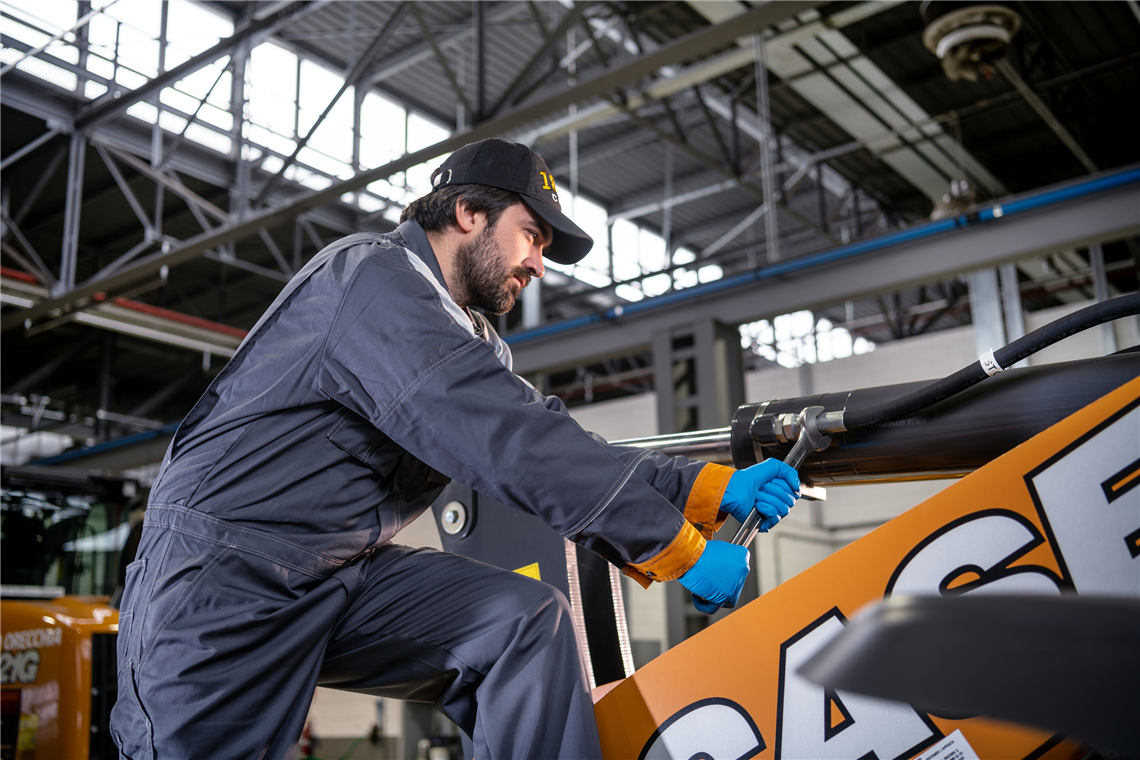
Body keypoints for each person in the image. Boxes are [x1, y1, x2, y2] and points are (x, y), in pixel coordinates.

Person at [110, 138, 801, 759]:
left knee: (522, 623)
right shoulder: (371, 280)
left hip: (337, 575)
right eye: (530, 235)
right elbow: (509, 440)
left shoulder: (474, 337)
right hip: (221, 582)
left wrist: (700, 490)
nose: (538, 263)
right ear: (468, 212)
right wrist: (675, 547)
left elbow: (545, 432)